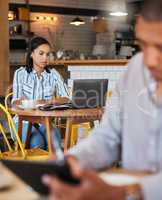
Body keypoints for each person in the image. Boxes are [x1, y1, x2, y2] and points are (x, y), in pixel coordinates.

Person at [42, 0, 162, 199]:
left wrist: (126, 192)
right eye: (143, 44)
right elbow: (107, 138)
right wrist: (74, 160)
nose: (149, 60)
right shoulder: (133, 71)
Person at [12, 36, 69, 149]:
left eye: (48, 54)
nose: (45, 58)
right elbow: (15, 102)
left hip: (45, 121)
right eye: (41, 53)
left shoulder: (53, 74)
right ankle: (37, 167)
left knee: (55, 143)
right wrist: (23, 102)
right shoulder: (20, 73)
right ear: (32, 54)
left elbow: (66, 97)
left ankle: (53, 167)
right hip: (23, 122)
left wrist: (50, 101)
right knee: (37, 143)